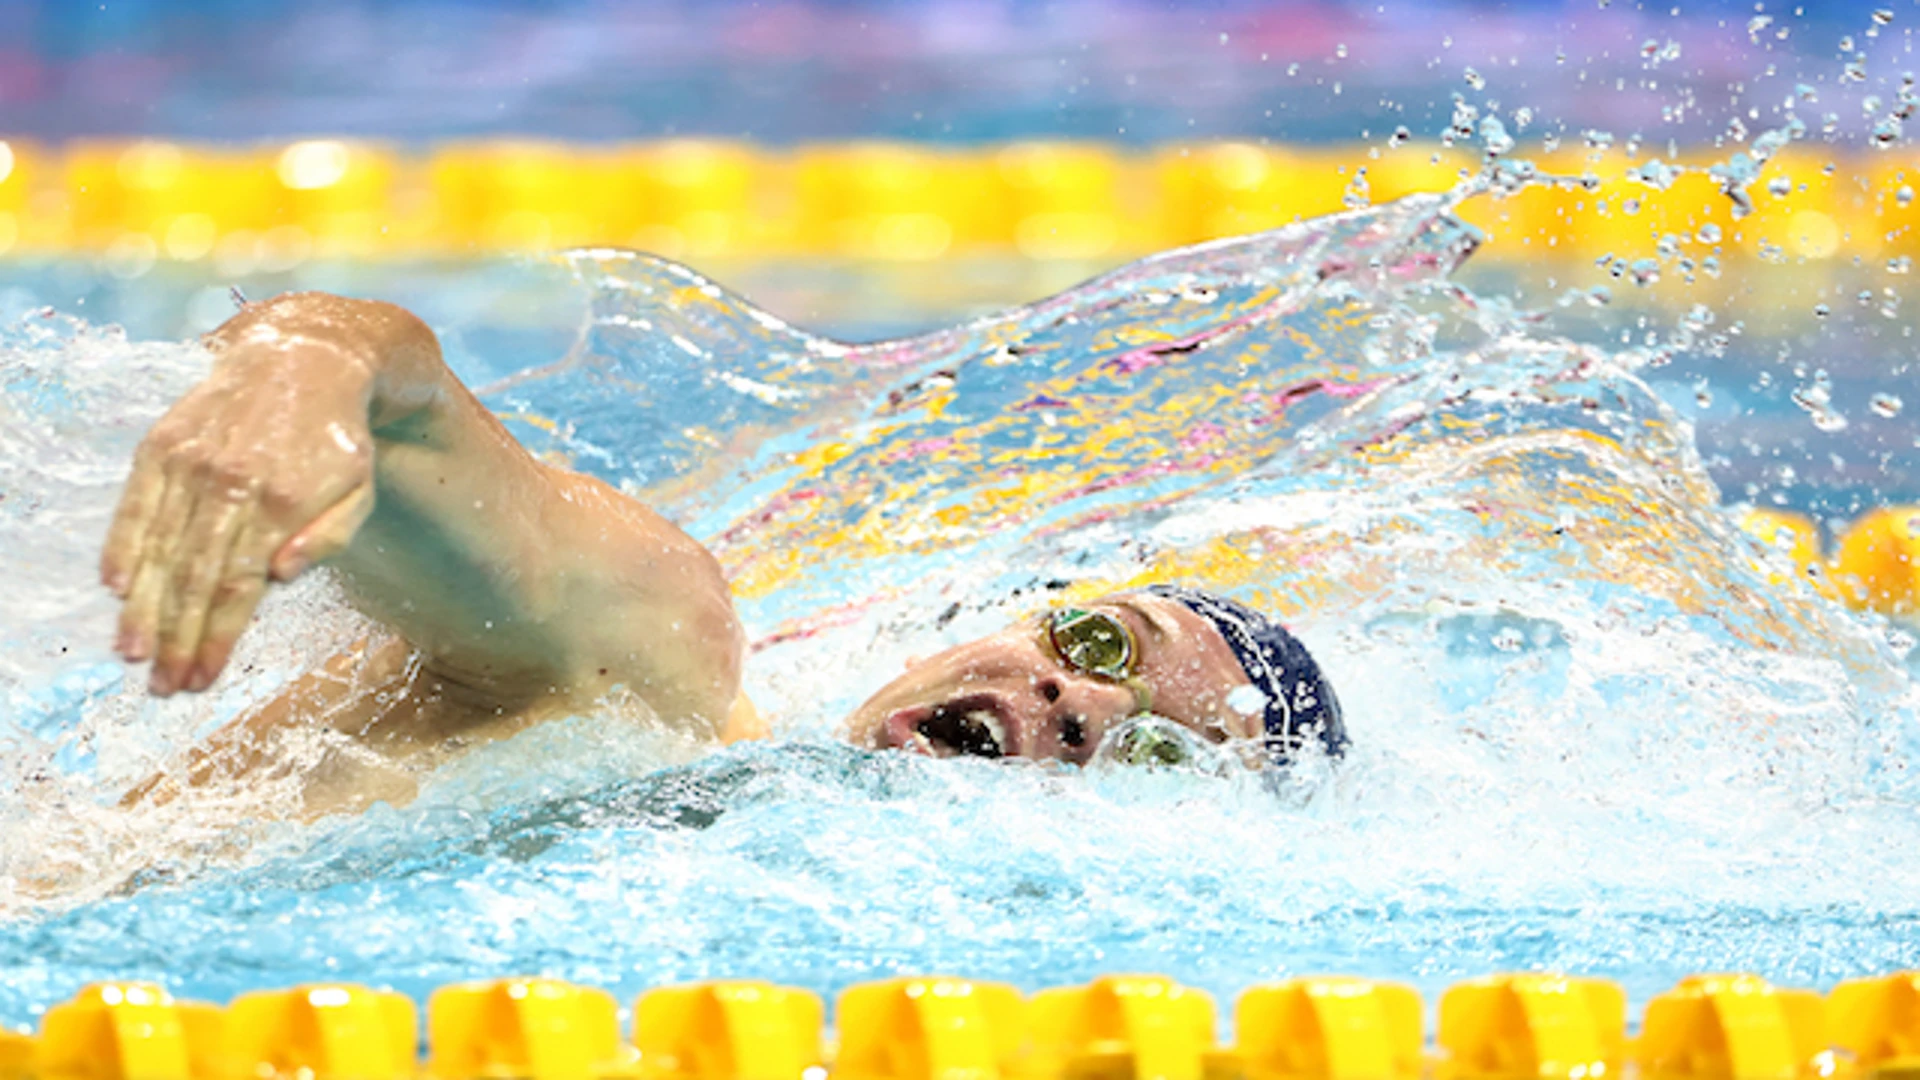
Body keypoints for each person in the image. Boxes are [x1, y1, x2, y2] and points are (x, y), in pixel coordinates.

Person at [103, 291, 1345, 818]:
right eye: (1094, 643)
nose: (1078, 708)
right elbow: (411, 392)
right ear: (1004, 618)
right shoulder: (665, 677)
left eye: (1151, 760)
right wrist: (303, 368)